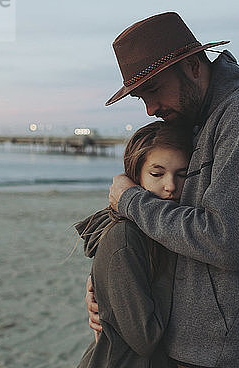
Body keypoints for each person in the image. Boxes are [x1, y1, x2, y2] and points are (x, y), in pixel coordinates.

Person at [87, 12, 239, 367]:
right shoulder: (198, 121)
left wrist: (130, 200)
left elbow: (225, 240)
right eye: (141, 97)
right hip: (196, 348)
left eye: (154, 90)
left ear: (193, 67)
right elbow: (169, 228)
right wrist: (108, 290)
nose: (150, 108)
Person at [76, 121, 193, 368]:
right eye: (157, 174)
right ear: (135, 176)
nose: (170, 186)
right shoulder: (125, 237)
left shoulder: (169, 232)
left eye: (182, 174)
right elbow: (145, 339)